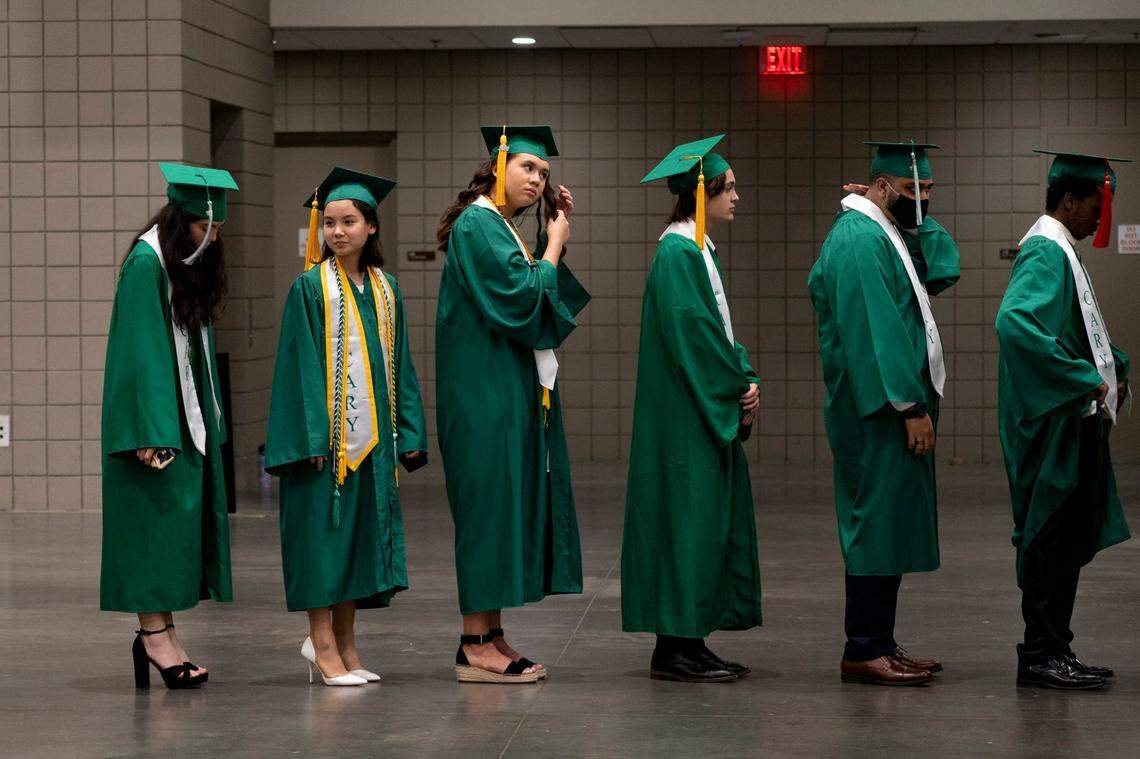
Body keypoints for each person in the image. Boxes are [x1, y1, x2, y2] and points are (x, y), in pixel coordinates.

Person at [435, 125, 589, 683]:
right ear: (497, 165)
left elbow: (533, 294)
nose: (537, 178)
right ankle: (473, 643)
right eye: (527, 166)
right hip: (481, 398)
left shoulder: (496, 225)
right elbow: (524, 298)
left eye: (543, 173)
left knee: (500, 516)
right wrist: (551, 246)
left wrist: (550, 240)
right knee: (486, 517)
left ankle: (491, 634)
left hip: (501, 392)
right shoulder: (479, 223)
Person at [265, 167, 427, 686]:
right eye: (330, 222)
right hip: (324, 449)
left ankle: (349, 644)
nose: (338, 231)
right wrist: (311, 437)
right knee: (321, 542)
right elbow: (298, 368)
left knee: (356, 542)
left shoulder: (386, 289)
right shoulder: (309, 289)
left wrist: (411, 433)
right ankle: (323, 643)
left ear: (372, 226)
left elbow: (400, 366)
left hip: (372, 444)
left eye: (349, 221)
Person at [808, 141, 959, 686]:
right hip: (875, 409)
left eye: (929, 191)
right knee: (874, 524)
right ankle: (864, 647)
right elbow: (876, 330)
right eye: (912, 190)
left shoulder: (884, 232)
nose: (921, 199)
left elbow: (943, 268)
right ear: (879, 186)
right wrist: (909, 403)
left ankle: (882, 642)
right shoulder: (858, 239)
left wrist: (917, 216)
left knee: (889, 523)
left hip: (888, 405)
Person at [621, 135, 762, 683]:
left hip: (697, 410)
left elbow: (718, 332)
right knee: (685, 524)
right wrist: (736, 386)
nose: (738, 197)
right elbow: (695, 339)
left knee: (700, 526)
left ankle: (691, 640)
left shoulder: (699, 249)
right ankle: (674, 647)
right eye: (730, 188)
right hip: (683, 417)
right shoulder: (677, 253)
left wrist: (743, 374)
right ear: (702, 194)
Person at [995, 149, 1132, 690]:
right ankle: (1040, 655)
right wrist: (1082, 377)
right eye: (1094, 206)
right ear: (1069, 199)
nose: (1100, 218)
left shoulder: (1059, 249)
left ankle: (1056, 648)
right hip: (1050, 425)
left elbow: (1077, 328)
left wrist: (1112, 365)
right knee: (1049, 538)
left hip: (1067, 421)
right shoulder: (1047, 254)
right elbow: (1016, 325)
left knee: (1064, 536)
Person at [101, 163, 238, 689]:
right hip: (153, 425)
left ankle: (164, 632)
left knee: (172, 530)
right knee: (152, 528)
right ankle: (153, 637)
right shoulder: (146, 263)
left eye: (219, 229)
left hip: (181, 417)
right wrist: (152, 431)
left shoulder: (179, 265)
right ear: (182, 222)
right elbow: (139, 354)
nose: (212, 238)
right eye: (206, 228)